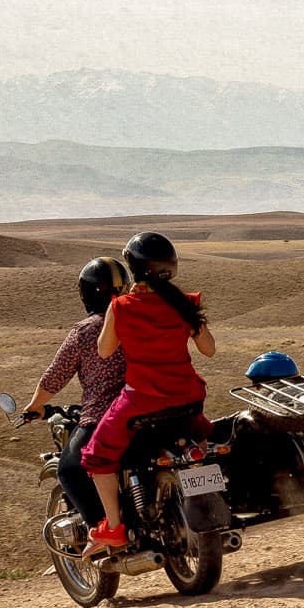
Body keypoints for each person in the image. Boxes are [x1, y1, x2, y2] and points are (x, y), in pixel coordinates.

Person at [80, 232, 217, 555]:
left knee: (96, 455)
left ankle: (113, 527)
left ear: (134, 268)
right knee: (201, 436)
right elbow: (208, 350)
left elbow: (104, 350)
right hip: (188, 397)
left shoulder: (121, 306)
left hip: (141, 400)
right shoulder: (186, 303)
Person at [21, 256, 131, 535]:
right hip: (153, 402)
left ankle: (104, 530)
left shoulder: (85, 331)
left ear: (87, 292)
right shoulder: (141, 318)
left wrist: (34, 406)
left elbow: (56, 375)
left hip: (106, 413)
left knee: (69, 470)